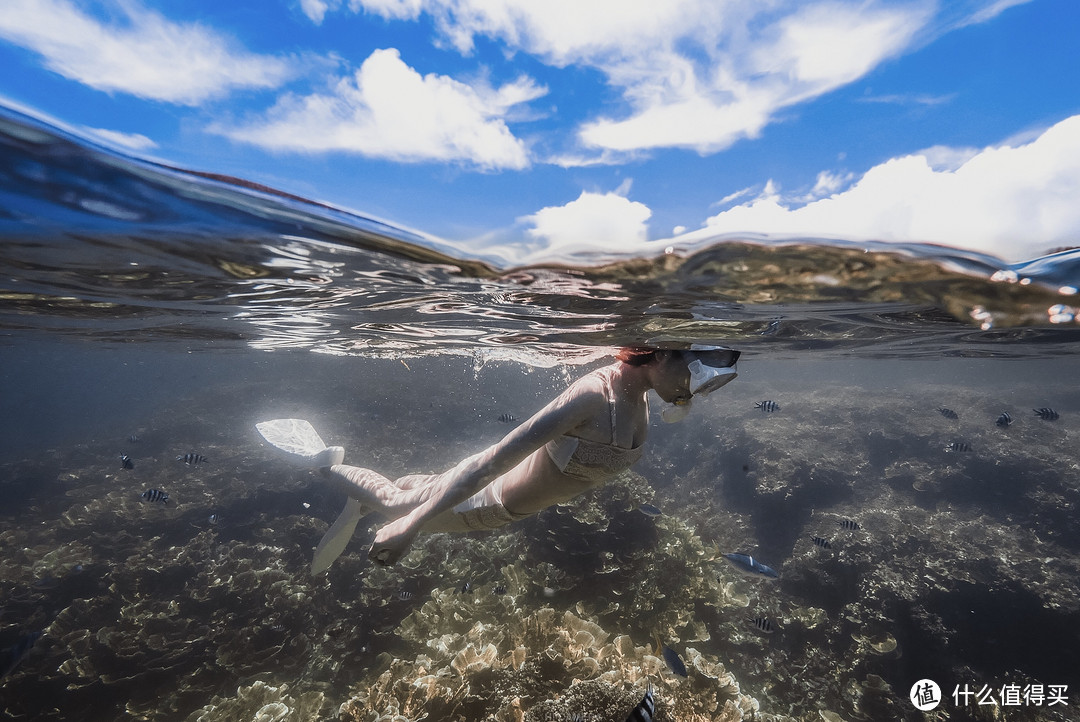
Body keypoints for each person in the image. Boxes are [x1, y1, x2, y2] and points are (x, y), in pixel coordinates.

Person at [257, 345, 740, 574]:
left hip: (498, 504)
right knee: (394, 504)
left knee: (409, 492)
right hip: (482, 504)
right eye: (694, 367)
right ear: (657, 353)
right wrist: (410, 528)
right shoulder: (594, 396)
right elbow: (493, 461)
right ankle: (323, 462)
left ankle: (399, 494)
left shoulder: (641, 398)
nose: (695, 385)